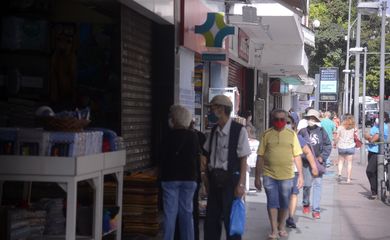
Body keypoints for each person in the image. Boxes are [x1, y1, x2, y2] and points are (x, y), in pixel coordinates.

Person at [202, 95, 251, 240]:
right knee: (211, 222)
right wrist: (205, 178)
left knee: (231, 222)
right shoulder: (214, 131)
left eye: (212, 108)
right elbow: (207, 154)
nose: (210, 112)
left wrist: (241, 184)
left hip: (231, 182)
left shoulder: (238, 130)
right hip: (214, 180)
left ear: (221, 109)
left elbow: (243, 159)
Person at [255, 109, 303, 239]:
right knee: (272, 202)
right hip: (269, 175)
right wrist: (257, 177)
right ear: (272, 120)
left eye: (283, 119)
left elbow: (297, 156)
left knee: (284, 203)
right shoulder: (266, 135)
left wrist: (301, 176)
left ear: (286, 120)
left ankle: (281, 226)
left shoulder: (292, 134)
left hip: (287, 176)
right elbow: (260, 156)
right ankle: (274, 230)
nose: (280, 122)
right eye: (277, 119)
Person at [160, 105, 200, 240]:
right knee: (187, 213)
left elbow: (162, 157)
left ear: (174, 119)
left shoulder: (167, 136)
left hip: (170, 179)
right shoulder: (194, 136)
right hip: (189, 179)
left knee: (170, 214)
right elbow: (196, 157)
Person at [174, 120, 207, 240]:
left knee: (180, 210)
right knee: (191, 210)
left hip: (181, 178)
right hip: (193, 179)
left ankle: (180, 236)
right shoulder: (199, 136)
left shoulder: (176, 135)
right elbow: (204, 158)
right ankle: (193, 236)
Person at [285, 115, 318, 229]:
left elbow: (308, 152)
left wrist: (313, 166)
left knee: (293, 194)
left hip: (293, 171)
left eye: (288, 122)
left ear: (293, 124)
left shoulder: (296, 137)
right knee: (282, 196)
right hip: (277, 172)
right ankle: (279, 220)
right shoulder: (271, 135)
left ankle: (290, 217)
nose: (285, 124)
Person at [301, 109, 332, 219]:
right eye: (309, 118)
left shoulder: (322, 131)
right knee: (307, 185)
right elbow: (298, 147)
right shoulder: (302, 131)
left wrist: (322, 157)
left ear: (317, 120)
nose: (311, 120)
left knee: (318, 184)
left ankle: (316, 209)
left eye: (313, 118)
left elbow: (328, 145)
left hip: (318, 163)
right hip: (305, 163)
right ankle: (306, 203)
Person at [364, 113, 389, 200]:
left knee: (370, 171)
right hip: (371, 151)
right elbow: (366, 135)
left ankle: (375, 191)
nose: (376, 119)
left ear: (384, 119)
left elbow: (373, 138)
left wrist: (370, 138)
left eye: (379, 117)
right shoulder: (375, 126)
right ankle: (376, 191)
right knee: (374, 172)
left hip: (378, 152)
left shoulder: (384, 127)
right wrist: (370, 137)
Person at [334, 115, 356, 183]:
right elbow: (356, 136)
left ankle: (340, 174)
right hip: (350, 146)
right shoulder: (354, 128)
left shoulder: (340, 127)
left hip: (341, 146)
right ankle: (348, 179)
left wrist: (335, 143)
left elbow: (337, 137)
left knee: (340, 161)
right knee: (349, 163)